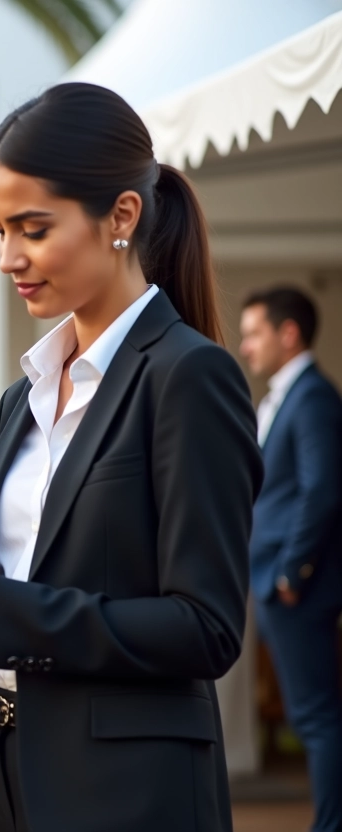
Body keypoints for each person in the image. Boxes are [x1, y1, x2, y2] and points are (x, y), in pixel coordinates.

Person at [0, 82, 263, 832]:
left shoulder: (188, 376)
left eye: (33, 228)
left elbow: (204, 629)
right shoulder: (25, 395)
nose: (10, 257)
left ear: (122, 216)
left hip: (121, 790)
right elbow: (11, 610)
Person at [239, 287, 342, 832]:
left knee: (317, 717)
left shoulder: (313, 398)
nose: (245, 345)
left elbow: (321, 490)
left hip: (296, 586)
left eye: (254, 332)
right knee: (311, 717)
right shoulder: (282, 397)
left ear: (289, 333)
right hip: (277, 581)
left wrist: (290, 573)